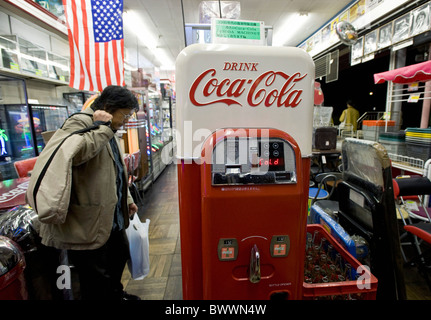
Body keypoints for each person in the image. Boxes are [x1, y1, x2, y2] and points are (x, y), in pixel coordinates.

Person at [37, 85, 140, 300]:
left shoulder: (109, 128)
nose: (127, 120)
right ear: (109, 107)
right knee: (95, 277)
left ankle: (116, 294)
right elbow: (74, 155)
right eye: (126, 114)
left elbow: (115, 168)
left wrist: (127, 198)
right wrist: (102, 127)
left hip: (112, 215)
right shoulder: (80, 122)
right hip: (88, 220)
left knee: (118, 257)